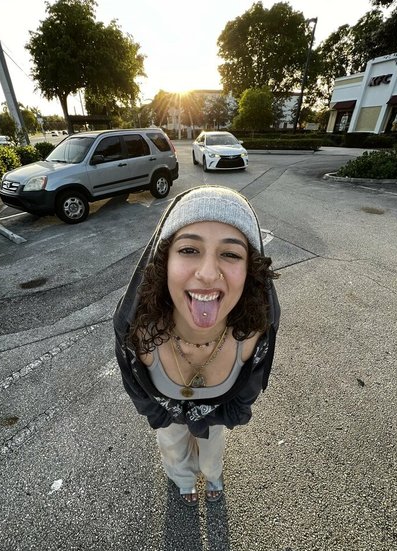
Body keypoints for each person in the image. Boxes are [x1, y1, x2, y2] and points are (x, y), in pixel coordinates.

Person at [114, 186, 280, 506]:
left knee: (213, 446)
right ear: (163, 262)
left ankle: (213, 474)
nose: (207, 274)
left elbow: (242, 403)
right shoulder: (135, 334)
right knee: (173, 445)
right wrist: (168, 418)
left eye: (231, 254)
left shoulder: (255, 335)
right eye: (189, 249)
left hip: (217, 416)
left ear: (250, 271)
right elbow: (141, 397)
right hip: (168, 416)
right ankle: (183, 480)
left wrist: (209, 419)